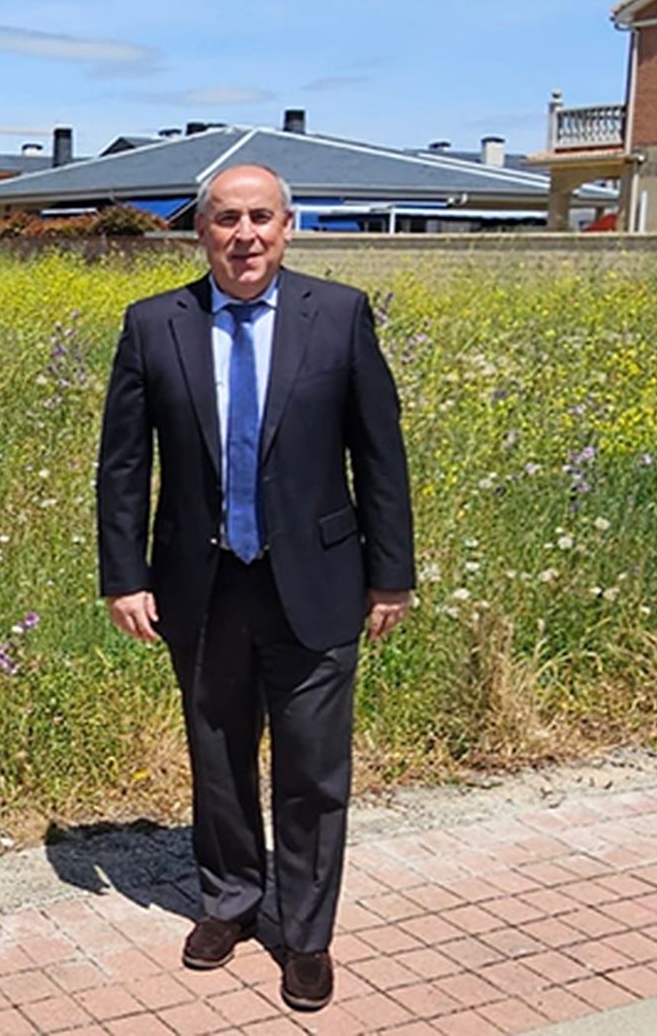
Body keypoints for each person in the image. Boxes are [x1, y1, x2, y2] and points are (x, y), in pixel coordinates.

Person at [95, 164, 415, 1012]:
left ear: (287, 226)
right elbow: (124, 466)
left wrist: (391, 575)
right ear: (200, 229)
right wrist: (124, 576)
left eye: (261, 217)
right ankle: (231, 900)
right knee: (219, 758)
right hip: (201, 583)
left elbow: (380, 456)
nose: (245, 234)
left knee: (313, 772)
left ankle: (306, 934)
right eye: (227, 218)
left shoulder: (338, 315)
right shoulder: (154, 323)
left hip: (316, 581)